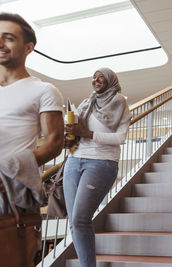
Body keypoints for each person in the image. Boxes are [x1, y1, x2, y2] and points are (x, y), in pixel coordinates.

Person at [63, 68, 132, 267]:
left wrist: (85, 132)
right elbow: (77, 133)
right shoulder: (86, 103)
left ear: (110, 80)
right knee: (74, 223)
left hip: (101, 162)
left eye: (100, 76)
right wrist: (70, 137)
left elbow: (120, 138)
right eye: (94, 76)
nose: (96, 79)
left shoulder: (119, 102)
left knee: (80, 219)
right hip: (74, 160)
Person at [0, 12, 64, 165]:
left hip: (14, 185)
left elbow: (54, 144)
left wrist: (11, 171)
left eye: (8, 38)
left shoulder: (45, 90)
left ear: (28, 48)